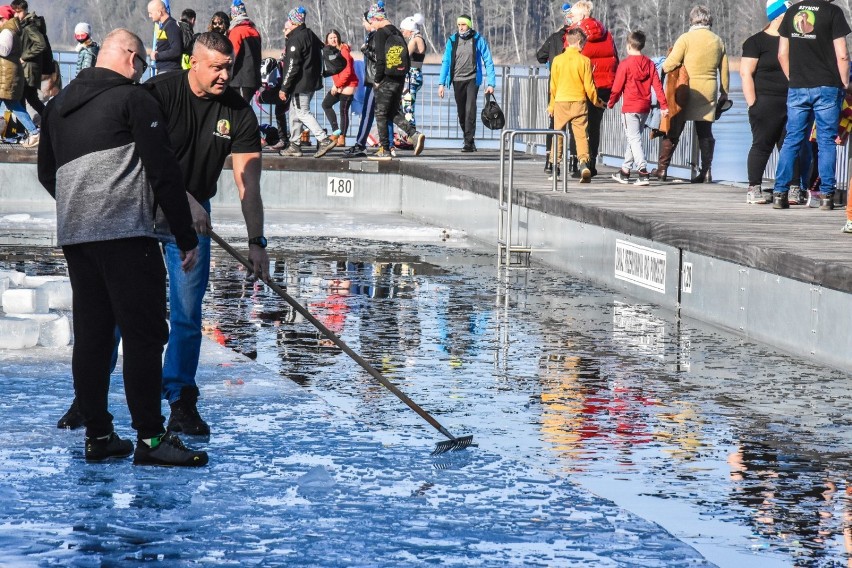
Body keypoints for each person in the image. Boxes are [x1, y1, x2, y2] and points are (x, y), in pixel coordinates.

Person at [57, 31, 271, 437]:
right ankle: (89, 401)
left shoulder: (239, 113)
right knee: (118, 313)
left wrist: (256, 242)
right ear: (193, 62)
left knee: (187, 313)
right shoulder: (156, 92)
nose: (225, 74)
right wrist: (182, 197)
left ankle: (181, 400)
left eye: (229, 67)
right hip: (140, 207)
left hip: (194, 217)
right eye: (216, 67)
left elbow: (249, 185)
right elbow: (132, 150)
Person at [37, 28, 207, 467]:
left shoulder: (56, 108)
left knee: (92, 338)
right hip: (128, 235)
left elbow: (46, 173)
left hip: (78, 236)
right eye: (143, 64)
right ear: (131, 58)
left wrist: (80, 203)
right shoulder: (135, 100)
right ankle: (151, 440)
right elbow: (163, 169)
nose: (142, 72)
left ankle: (98, 436)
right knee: (145, 336)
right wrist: (186, 236)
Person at [772, 0, 850, 212]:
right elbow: (842, 54)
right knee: (826, 141)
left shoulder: (792, 12)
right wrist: (844, 83)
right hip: (827, 86)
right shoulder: (833, 12)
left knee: (792, 139)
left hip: (798, 85)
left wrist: (793, 79)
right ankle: (826, 196)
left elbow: (781, 54)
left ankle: (779, 193)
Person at [657, 5, 729, 184]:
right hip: (708, 90)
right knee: (705, 132)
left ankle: (662, 169)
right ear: (708, 20)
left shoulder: (686, 39)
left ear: (692, 20)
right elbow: (725, 70)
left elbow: (671, 63)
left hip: (686, 90)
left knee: (674, 128)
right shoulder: (718, 40)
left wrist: (660, 70)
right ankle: (706, 171)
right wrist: (724, 93)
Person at [742, 1, 796, 205]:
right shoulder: (756, 42)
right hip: (765, 101)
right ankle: (754, 187)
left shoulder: (793, 41)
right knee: (762, 145)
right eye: (788, 13)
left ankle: (793, 187)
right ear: (778, 15)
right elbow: (746, 73)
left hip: (791, 101)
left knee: (790, 146)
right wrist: (752, 103)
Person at [364, 1, 425, 161]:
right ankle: (414, 134)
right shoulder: (396, 32)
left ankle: (384, 149)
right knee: (392, 112)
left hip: (387, 78)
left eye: (372, 22)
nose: (372, 25)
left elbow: (381, 59)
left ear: (377, 19)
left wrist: (377, 80)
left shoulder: (380, 33)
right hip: (400, 77)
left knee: (381, 113)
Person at [608, 30, 669, 186]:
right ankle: (625, 171)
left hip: (630, 107)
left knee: (633, 138)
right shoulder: (649, 63)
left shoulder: (625, 64)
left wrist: (611, 102)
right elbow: (658, 86)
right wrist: (663, 105)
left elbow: (617, 88)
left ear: (629, 45)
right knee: (633, 138)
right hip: (644, 107)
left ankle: (643, 171)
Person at [566, 1, 618, 176]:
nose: (570, 18)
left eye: (572, 15)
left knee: (578, 125)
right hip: (603, 87)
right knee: (595, 126)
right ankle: (592, 163)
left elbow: (569, 61)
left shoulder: (575, 35)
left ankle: (576, 163)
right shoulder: (606, 34)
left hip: (581, 86)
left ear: (581, 16)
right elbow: (615, 60)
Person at [278, 6, 336, 158]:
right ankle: (294, 145)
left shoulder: (295, 39)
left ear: (295, 22)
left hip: (300, 84)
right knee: (294, 112)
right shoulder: (310, 34)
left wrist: (284, 88)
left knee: (302, 112)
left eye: (290, 20)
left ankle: (323, 139)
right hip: (311, 82)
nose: (287, 23)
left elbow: (292, 66)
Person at [548, 27, 602, 183]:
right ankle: (584, 163)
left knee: (558, 133)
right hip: (579, 102)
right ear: (579, 42)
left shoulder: (558, 60)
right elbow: (589, 86)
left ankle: (555, 166)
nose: (583, 47)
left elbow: (553, 86)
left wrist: (551, 106)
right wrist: (596, 102)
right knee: (581, 136)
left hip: (561, 101)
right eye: (583, 44)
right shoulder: (584, 61)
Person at [438, 13, 496, 152]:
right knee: (462, 113)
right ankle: (468, 138)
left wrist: (491, 83)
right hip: (457, 80)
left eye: (463, 25)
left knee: (470, 110)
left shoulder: (477, 39)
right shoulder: (452, 40)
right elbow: (446, 61)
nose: (461, 27)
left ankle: (468, 143)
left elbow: (488, 61)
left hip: (472, 79)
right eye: (459, 25)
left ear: (469, 25)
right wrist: (441, 83)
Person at [536, 3, 571, 175]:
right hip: (574, 86)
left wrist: (551, 61)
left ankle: (549, 162)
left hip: (556, 86)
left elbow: (539, 56)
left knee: (554, 124)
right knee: (576, 125)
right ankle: (573, 162)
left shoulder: (554, 38)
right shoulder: (579, 38)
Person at [0, 5, 39, 148]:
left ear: (4, 18)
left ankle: (34, 132)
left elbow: (4, 51)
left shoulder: (7, 32)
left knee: (14, 104)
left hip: (5, 76)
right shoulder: (11, 30)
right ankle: (34, 133)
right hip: (7, 74)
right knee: (13, 105)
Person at [341, 13, 379, 159]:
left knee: (370, 114)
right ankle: (364, 144)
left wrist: (365, 50)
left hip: (375, 80)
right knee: (381, 114)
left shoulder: (377, 36)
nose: (363, 24)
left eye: (364, 21)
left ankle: (361, 145)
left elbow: (377, 59)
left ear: (371, 21)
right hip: (371, 79)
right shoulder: (371, 36)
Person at [321, 29, 358, 147]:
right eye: (331, 37)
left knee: (343, 111)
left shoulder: (344, 51)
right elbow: (335, 71)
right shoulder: (331, 52)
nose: (333, 39)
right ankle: (336, 131)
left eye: (335, 37)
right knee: (326, 104)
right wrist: (335, 85)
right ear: (327, 40)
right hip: (339, 85)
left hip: (348, 84)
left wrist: (339, 85)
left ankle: (342, 137)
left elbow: (347, 71)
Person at [11, 0, 46, 119]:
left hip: (28, 69)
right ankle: (49, 121)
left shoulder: (29, 26)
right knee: (30, 99)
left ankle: (26, 130)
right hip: (29, 69)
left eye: (18, 12)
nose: (16, 15)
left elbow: (41, 44)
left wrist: (24, 57)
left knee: (22, 99)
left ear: (25, 10)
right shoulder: (26, 24)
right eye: (14, 12)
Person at [227, 0, 261, 103]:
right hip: (253, 79)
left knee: (240, 111)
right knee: (246, 110)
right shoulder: (254, 31)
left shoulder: (237, 31)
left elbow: (232, 56)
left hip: (240, 80)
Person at [399, 13, 425, 136]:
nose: (402, 32)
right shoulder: (419, 38)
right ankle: (408, 133)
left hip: (411, 77)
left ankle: (412, 135)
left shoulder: (414, 40)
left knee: (408, 106)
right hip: (417, 75)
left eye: (403, 30)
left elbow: (403, 57)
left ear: (410, 30)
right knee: (406, 104)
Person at [148, 0, 182, 74]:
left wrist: (157, 56)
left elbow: (176, 51)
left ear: (159, 12)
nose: (149, 16)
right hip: (164, 69)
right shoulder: (165, 25)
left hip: (170, 71)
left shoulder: (171, 26)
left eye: (151, 13)